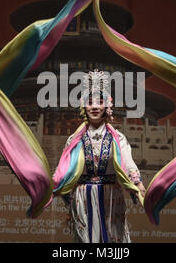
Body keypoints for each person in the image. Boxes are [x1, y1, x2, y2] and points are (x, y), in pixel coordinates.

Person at [55, 69, 146, 243]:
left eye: (100, 102)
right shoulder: (74, 140)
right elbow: (64, 169)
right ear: (83, 106)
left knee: (113, 239)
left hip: (111, 197)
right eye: (90, 102)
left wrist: (138, 184)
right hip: (83, 196)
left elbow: (128, 164)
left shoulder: (117, 138)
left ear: (106, 106)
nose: (95, 107)